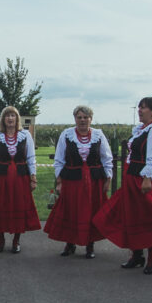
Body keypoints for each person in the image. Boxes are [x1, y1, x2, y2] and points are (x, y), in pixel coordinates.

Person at [93, 97, 152, 273]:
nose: (139, 111)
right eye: (139, 108)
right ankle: (137, 255)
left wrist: (147, 178)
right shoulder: (140, 130)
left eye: (143, 108)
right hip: (133, 177)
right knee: (132, 216)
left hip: (146, 178)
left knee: (149, 217)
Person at [44, 106, 112, 258]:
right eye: (79, 117)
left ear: (91, 119)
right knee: (71, 210)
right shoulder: (66, 134)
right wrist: (59, 181)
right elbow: (59, 159)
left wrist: (108, 178)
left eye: (85, 117)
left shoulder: (98, 135)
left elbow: (107, 159)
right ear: (75, 119)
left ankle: (90, 245)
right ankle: (70, 243)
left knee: (92, 211)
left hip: (94, 181)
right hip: (72, 180)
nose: (82, 120)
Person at [0, 106, 40, 253]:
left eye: (13, 115)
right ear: (3, 119)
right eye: (7, 115)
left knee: (19, 206)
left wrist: (33, 178)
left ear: (17, 118)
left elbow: (31, 158)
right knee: (0, 206)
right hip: (2, 177)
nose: (10, 118)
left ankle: (16, 241)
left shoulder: (25, 135)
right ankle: (1, 240)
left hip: (21, 177)